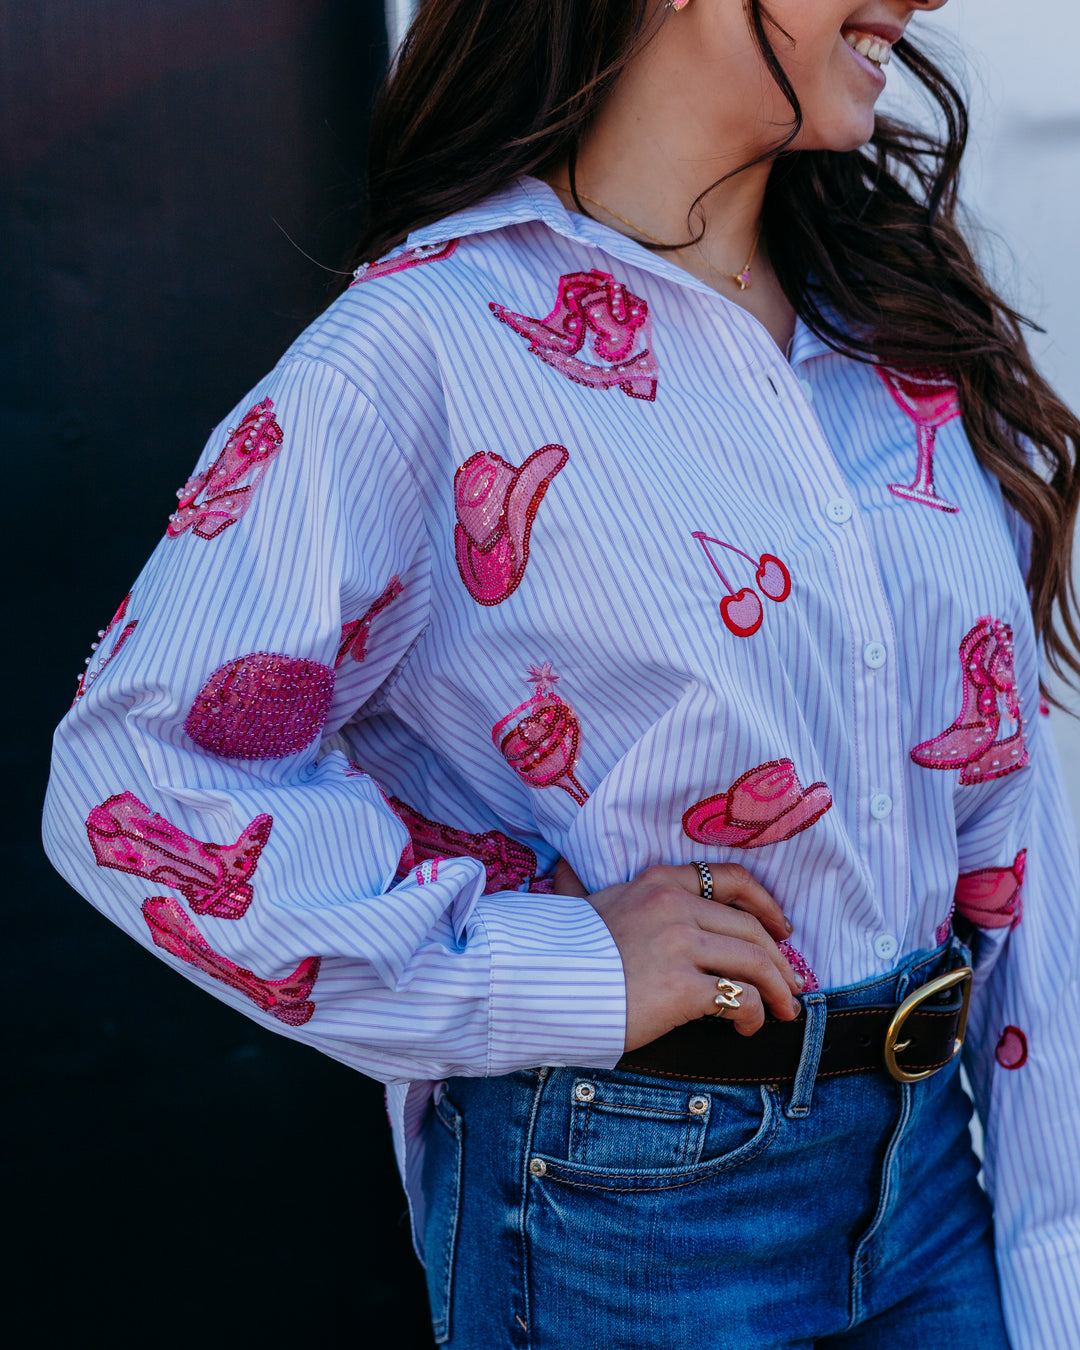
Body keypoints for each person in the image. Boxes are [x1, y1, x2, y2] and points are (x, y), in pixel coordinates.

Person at [43, 1, 1080, 1345]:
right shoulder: (418, 352)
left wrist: (1056, 1258)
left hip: (933, 1185)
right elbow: (137, 777)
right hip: (625, 1210)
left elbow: (1015, 829)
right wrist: (561, 964)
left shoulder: (893, 317)